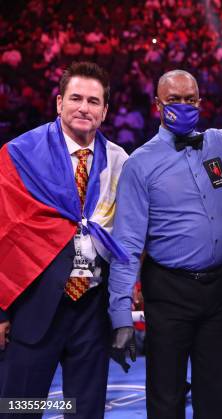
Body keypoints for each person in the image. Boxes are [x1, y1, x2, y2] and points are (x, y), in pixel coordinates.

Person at [107, 69, 222, 419]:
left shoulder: (221, 142)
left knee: (215, 395)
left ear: (200, 102)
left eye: (190, 99)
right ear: (158, 105)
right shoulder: (140, 164)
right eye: (174, 100)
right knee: (166, 396)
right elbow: (126, 243)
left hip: (220, 289)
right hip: (168, 291)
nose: (183, 106)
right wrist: (120, 313)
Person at [0, 62, 128, 419]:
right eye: (75, 98)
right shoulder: (20, 154)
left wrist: (120, 315)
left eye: (93, 100)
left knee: (85, 412)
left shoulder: (119, 161)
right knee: (19, 410)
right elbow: (1, 234)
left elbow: (128, 240)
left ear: (104, 111)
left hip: (92, 311)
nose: (83, 108)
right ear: (58, 103)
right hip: (33, 310)